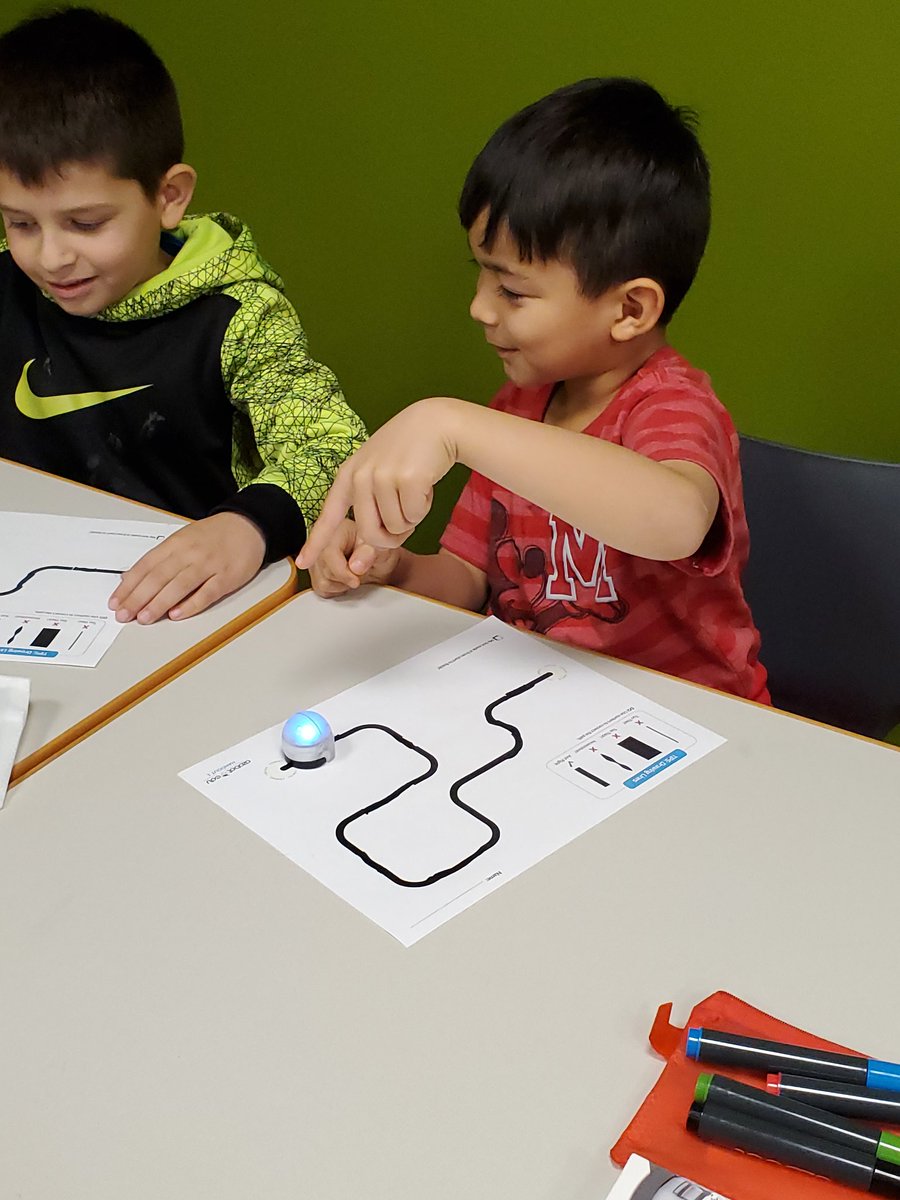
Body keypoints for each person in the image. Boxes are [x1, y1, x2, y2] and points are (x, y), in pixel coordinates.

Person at [299, 77, 768, 702]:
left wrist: (451, 422)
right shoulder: (520, 409)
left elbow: (676, 519)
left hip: (686, 725)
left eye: (512, 291)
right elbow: (468, 580)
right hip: (540, 709)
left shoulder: (674, 407)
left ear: (630, 308)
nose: (479, 309)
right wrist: (395, 568)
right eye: (482, 278)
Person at [0, 7, 365, 623]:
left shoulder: (238, 315)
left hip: (183, 605)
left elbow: (333, 447)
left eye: (86, 224)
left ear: (169, 196)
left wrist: (247, 526)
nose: (50, 256)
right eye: (19, 223)